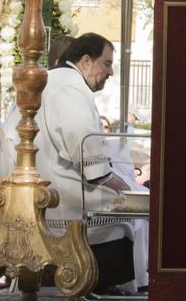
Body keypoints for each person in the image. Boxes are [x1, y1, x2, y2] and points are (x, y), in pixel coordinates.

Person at [34, 32, 138, 291]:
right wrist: (122, 187)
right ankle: (99, 284)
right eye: (107, 63)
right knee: (125, 213)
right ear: (85, 61)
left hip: (45, 186)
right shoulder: (69, 87)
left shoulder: (53, 80)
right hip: (60, 196)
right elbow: (87, 153)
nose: (111, 72)